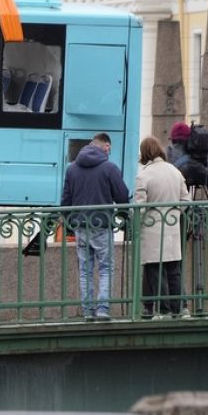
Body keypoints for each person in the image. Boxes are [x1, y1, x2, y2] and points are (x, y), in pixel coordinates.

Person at [61, 133, 130, 321]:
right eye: (109, 147)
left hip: (80, 226)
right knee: (106, 267)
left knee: (85, 269)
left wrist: (71, 222)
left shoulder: (72, 169)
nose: (109, 151)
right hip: (102, 224)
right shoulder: (109, 168)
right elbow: (123, 196)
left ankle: (87, 311)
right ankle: (103, 309)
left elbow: (65, 201)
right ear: (105, 145)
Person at [134, 137, 191, 319]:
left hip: (152, 229)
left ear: (144, 154)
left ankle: (163, 309)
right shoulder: (174, 171)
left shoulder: (144, 175)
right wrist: (174, 214)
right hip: (172, 228)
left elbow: (139, 208)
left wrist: (135, 222)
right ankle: (180, 309)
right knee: (174, 269)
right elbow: (186, 200)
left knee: (155, 270)